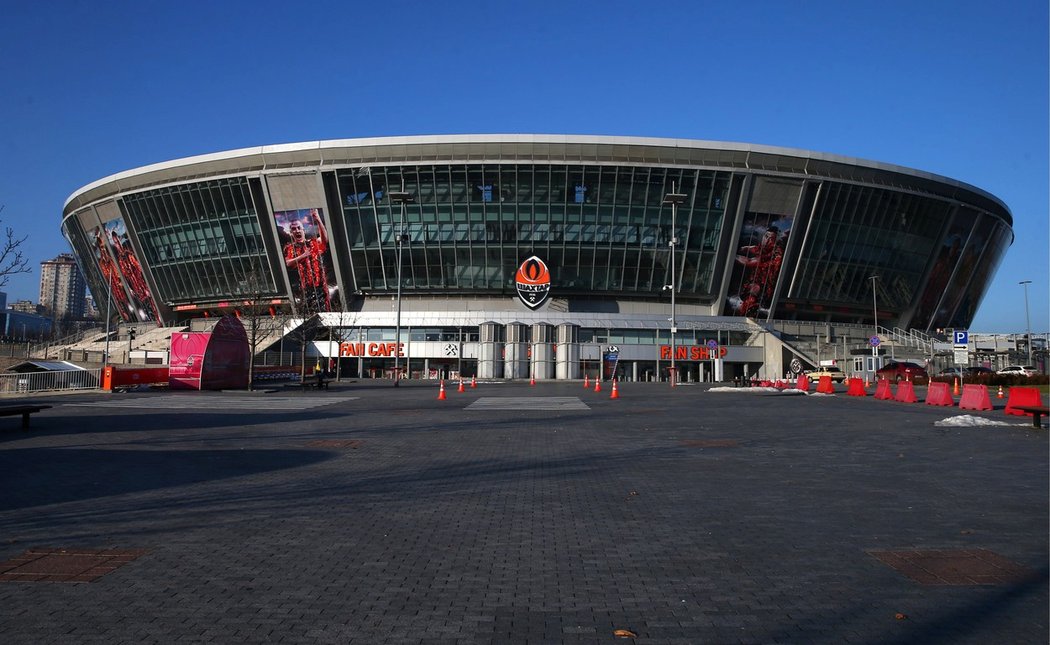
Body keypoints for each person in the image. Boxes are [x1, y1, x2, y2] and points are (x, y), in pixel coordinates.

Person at [283, 209, 332, 312]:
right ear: (291, 233)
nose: (297, 230)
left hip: (320, 286)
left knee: (325, 312)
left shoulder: (312, 243)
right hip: (306, 288)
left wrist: (318, 219)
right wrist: (303, 256)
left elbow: (324, 239)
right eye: (293, 229)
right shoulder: (291, 248)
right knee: (309, 312)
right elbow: (288, 263)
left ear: (303, 230)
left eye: (298, 228)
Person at [732, 226, 784, 316]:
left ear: (775, 241)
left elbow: (749, 261)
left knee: (754, 290)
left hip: (766, 285)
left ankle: (750, 312)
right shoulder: (766, 248)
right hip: (758, 279)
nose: (767, 240)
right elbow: (756, 248)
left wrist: (732, 255)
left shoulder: (776, 254)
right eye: (766, 236)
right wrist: (745, 248)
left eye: (771, 238)